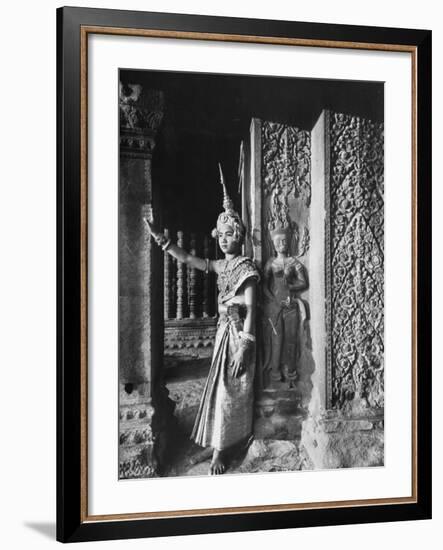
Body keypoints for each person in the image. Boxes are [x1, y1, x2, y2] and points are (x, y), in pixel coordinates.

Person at [145, 165, 259, 475]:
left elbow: (252, 309)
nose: (224, 240)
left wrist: (243, 348)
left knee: (230, 391)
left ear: (239, 236)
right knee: (216, 389)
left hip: (238, 338)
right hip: (223, 333)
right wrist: (164, 242)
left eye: (229, 235)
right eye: (220, 235)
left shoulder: (247, 269)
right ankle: (216, 442)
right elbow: (189, 260)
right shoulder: (220, 265)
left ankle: (221, 450)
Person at [262, 226, 308, 388]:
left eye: (284, 241)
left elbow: (304, 283)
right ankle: (275, 372)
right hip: (275, 306)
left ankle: (292, 373)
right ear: (273, 244)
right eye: (278, 241)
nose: (282, 243)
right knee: (277, 339)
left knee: (291, 340)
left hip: (290, 305)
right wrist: (273, 301)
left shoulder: (293, 262)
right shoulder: (270, 263)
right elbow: (264, 287)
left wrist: (291, 285)